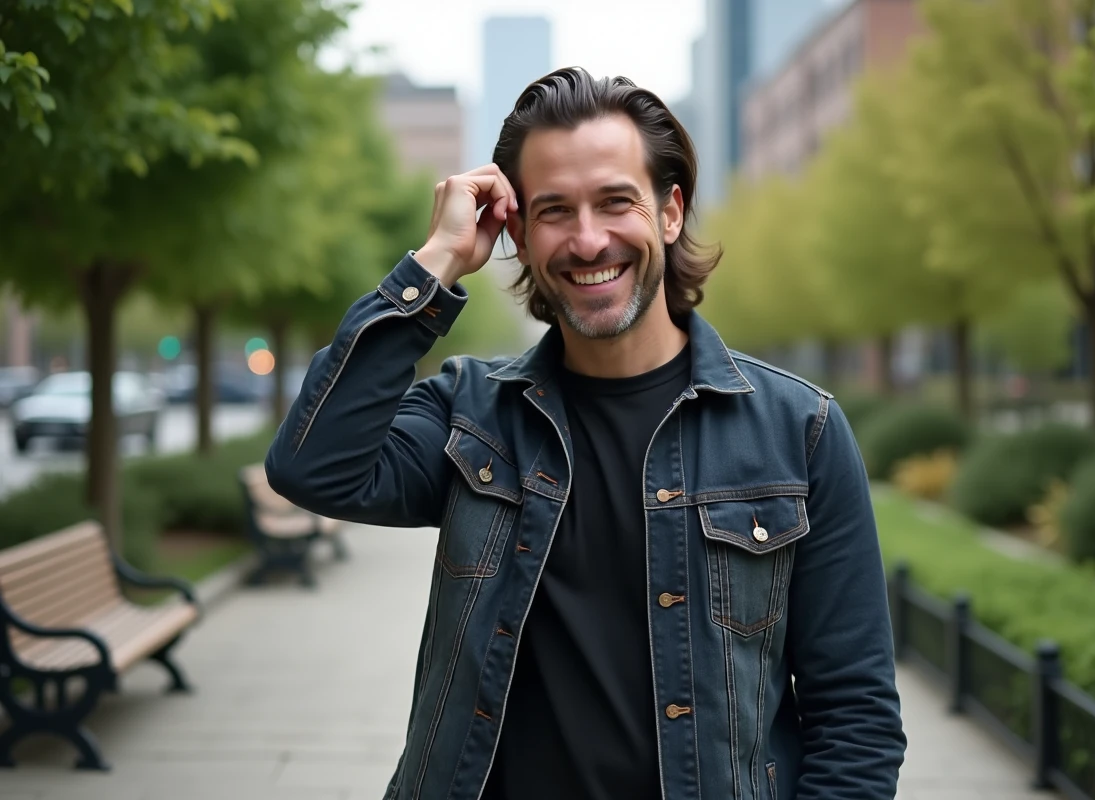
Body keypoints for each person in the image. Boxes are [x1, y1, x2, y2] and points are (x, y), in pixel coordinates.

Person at [266, 66, 906, 800]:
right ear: (518, 234)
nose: (589, 239)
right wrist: (433, 262)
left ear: (670, 213)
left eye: (615, 202)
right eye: (555, 211)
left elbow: (855, 720)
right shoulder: (471, 410)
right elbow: (313, 468)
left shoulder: (801, 430)